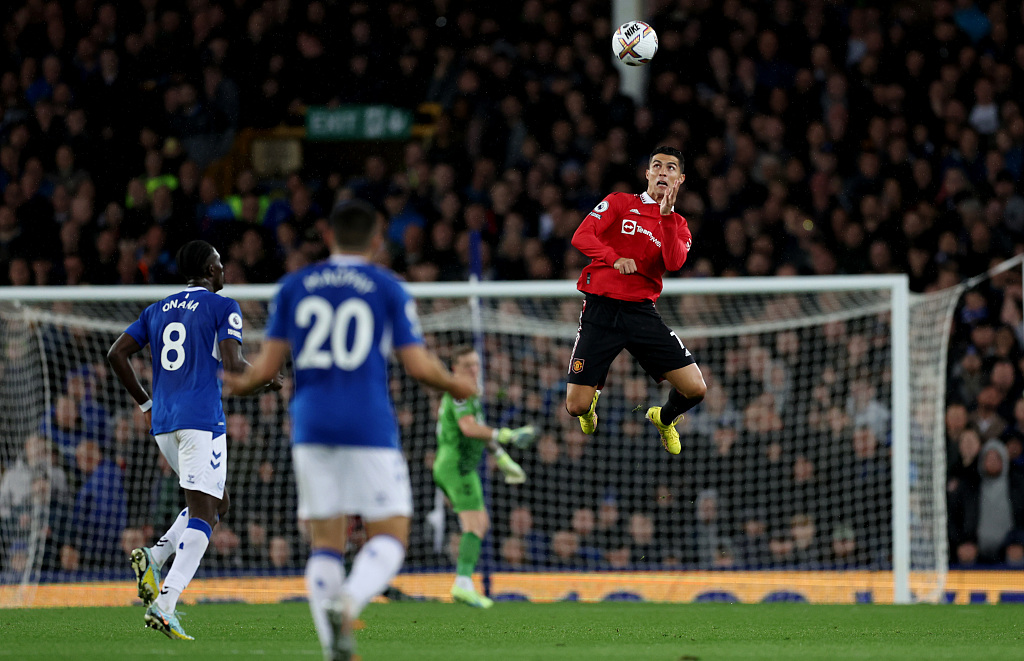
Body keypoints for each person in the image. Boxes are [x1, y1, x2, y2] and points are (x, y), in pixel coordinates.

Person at [222, 200, 476, 661]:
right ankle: (351, 601)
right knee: (392, 535)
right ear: (378, 240)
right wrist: (455, 381)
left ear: (327, 235)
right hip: (367, 422)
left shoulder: (294, 285)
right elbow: (417, 365)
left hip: (310, 423)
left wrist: (238, 384)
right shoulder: (386, 286)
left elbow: (265, 367)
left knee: (326, 541)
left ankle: (333, 650)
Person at [107, 239, 281, 640]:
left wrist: (146, 404)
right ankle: (166, 603)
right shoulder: (223, 306)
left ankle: (154, 556)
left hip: (163, 424)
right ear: (208, 269)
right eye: (220, 263)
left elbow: (116, 354)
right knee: (204, 513)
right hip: (200, 420)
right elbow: (236, 367)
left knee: (218, 502)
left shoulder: (156, 309)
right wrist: (268, 377)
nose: (224, 270)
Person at [564, 146, 707, 454]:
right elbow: (581, 236)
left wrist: (667, 217)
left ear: (679, 179)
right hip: (601, 308)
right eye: (657, 166)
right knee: (575, 406)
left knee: (696, 389)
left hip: (640, 312)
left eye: (670, 169)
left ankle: (664, 418)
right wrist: (613, 258)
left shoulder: (679, 225)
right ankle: (590, 405)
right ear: (647, 174)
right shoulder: (620, 202)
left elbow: (674, 262)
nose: (662, 172)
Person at [433, 344, 534, 608]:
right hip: (455, 466)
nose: (474, 370)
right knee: (473, 524)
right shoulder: (459, 392)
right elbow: (468, 428)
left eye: (476, 364)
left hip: (465, 466)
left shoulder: (471, 394)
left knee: (480, 523)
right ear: (455, 369)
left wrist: (502, 458)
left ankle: (464, 582)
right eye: (468, 365)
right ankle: (462, 584)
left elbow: (479, 430)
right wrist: (505, 435)